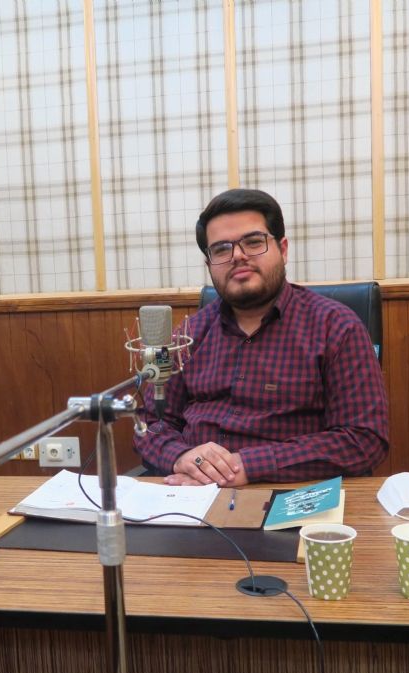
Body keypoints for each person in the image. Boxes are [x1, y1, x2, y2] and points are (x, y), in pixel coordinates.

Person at [133, 188, 388, 486]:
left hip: (291, 493)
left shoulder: (337, 327)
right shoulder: (186, 335)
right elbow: (149, 423)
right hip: (192, 492)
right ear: (209, 265)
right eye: (221, 249)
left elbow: (363, 438)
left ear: (283, 250)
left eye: (253, 242)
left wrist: (246, 466)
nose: (237, 256)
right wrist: (181, 457)